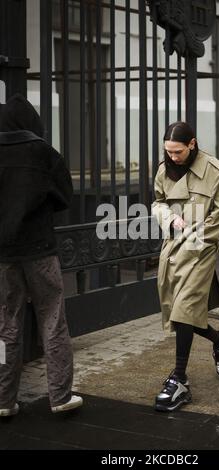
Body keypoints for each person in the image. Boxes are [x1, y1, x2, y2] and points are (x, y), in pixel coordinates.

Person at [0, 94, 83, 416]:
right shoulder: (43, 152)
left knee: (5, 326)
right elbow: (64, 197)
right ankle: (60, 397)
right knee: (52, 320)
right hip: (39, 250)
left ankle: (4, 400)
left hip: (2, 256)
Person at [152, 121, 219, 412]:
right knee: (180, 313)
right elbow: (158, 202)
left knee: (184, 309)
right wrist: (169, 219)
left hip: (200, 251)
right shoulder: (165, 168)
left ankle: (179, 380)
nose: (172, 157)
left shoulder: (216, 171)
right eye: (168, 151)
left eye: (177, 151)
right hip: (173, 250)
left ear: (192, 144)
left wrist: (197, 236)